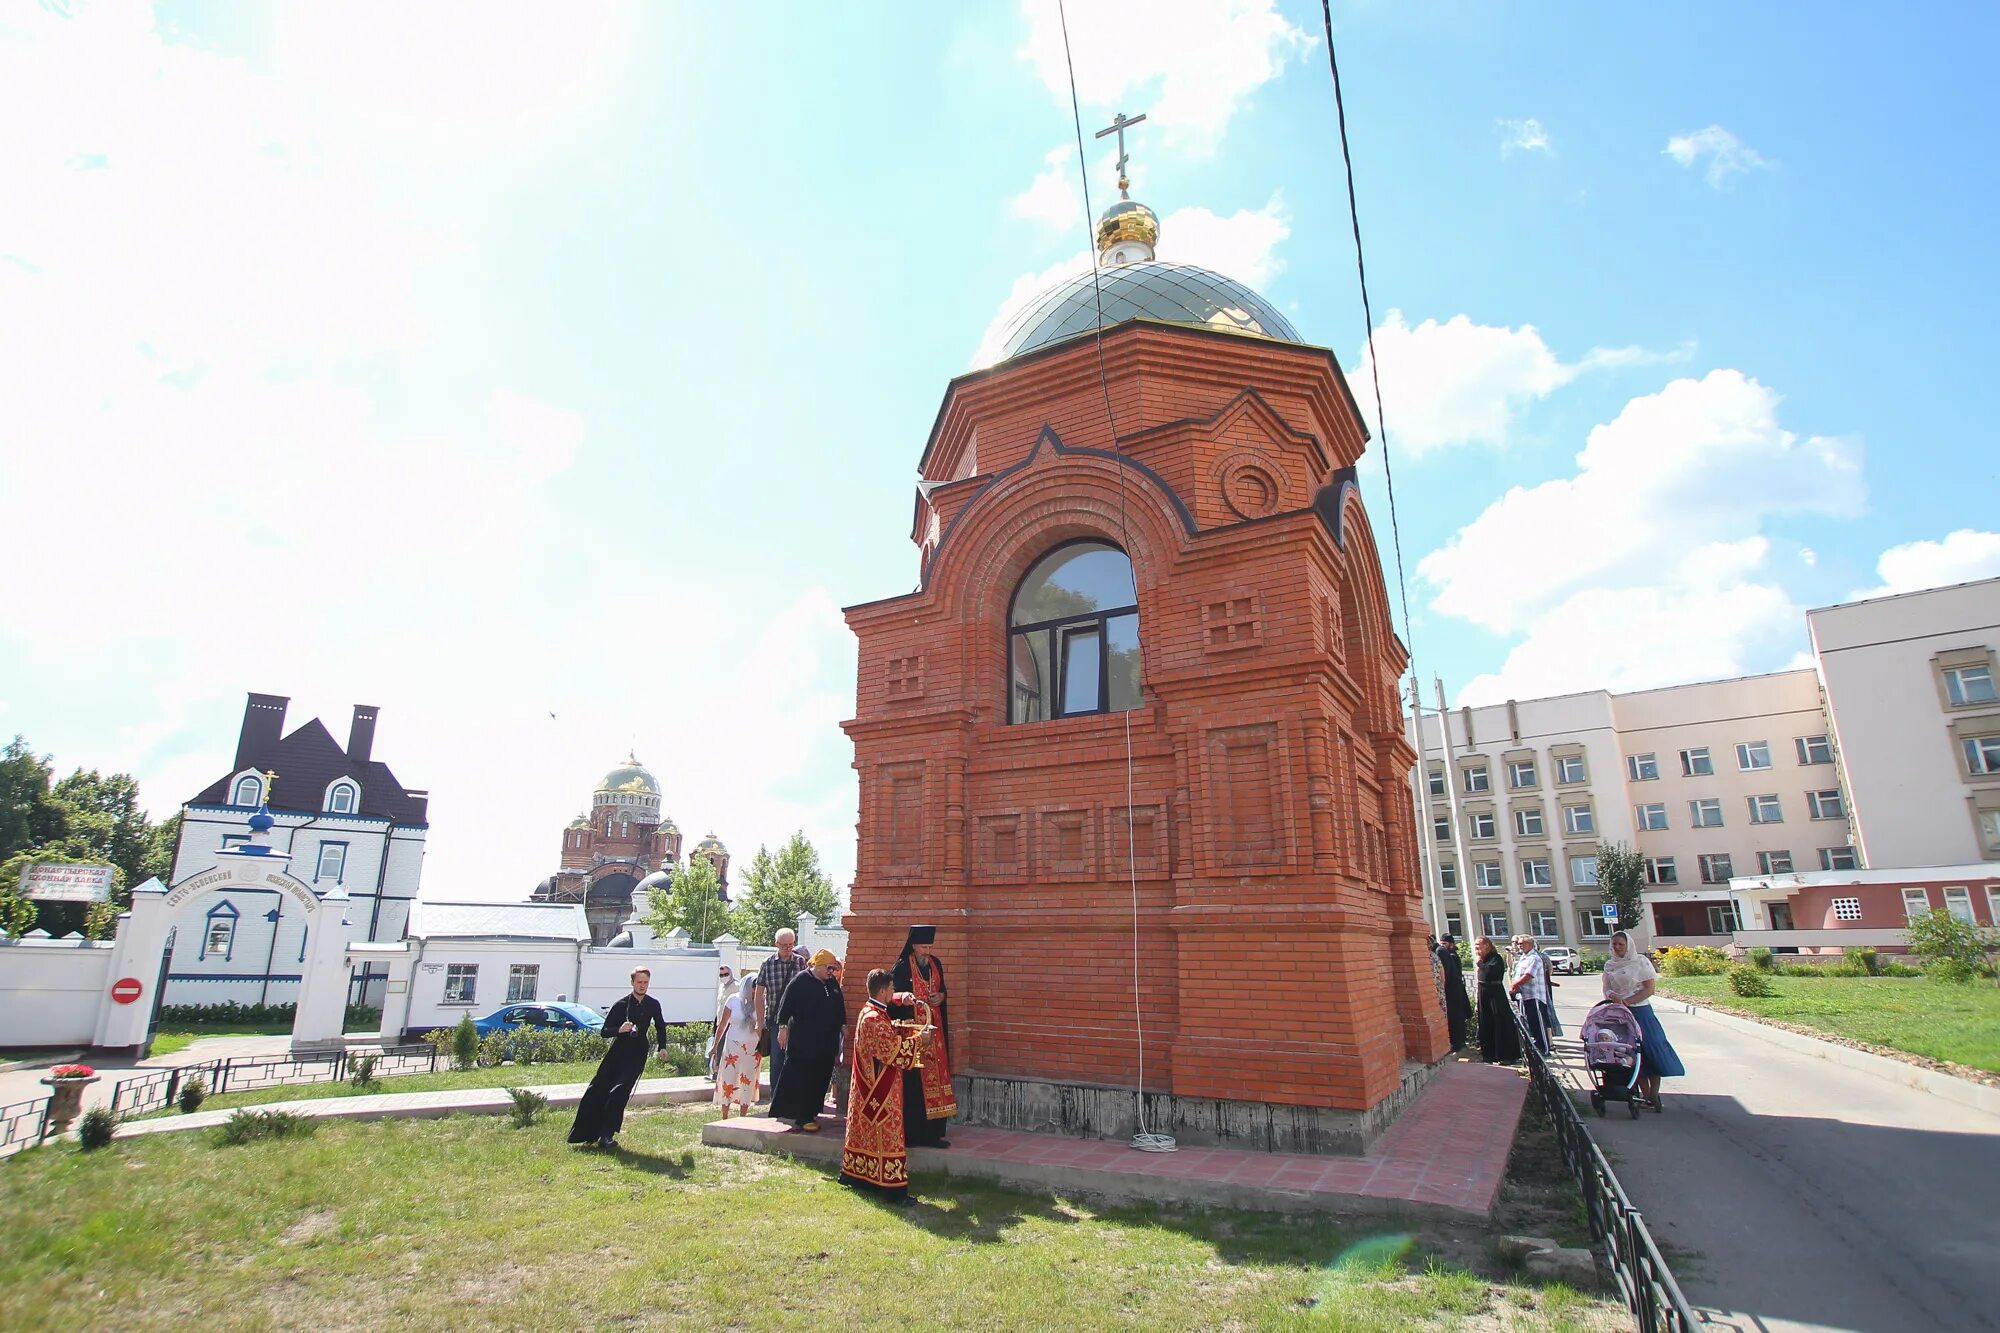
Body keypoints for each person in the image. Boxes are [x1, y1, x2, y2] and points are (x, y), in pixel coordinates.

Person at [840, 969, 931, 1206]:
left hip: (866, 1087)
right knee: (887, 1134)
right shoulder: (873, 1018)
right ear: (882, 991)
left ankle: (860, 1177)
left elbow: (886, 1036)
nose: (893, 993)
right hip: (880, 1089)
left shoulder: (870, 1012)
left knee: (867, 1134)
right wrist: (920, 1040)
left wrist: (905, 1021)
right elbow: (891, 1051)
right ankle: (893, 1189)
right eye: (891, 989)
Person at [568, 967, 670, 1148]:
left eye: (645, 982)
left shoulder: (653, 1004)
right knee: (597, 1090)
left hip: (637, 1053)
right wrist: (619, 1030)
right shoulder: (621, 1005)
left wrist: (662, 1047)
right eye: (639, 982)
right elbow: (604, 1032)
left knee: (619, 1092)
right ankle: (587, 1134)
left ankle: (606, 1135)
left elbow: (661, 1026)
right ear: (632, 983)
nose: (642, 986)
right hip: (617, 1053)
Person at [890, 924, 956, 1147]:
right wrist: (903, 997)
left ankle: (933, 1133)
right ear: (913, 946)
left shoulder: (936, 964)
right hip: (913, 1034)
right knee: (914, 1084)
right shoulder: (901, 967)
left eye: (929, 946)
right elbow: (891, 996)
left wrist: (942, 996)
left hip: (934, 1032)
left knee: (937, 1078)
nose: (927, 951)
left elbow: (942, 988)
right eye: (923, 947)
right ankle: (912, 1134)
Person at [1603, 930, 1685, 1104]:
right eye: (1614, 944)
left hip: (1641, 1012)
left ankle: (1653, 1094)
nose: (1617, 947)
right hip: (1621, 1015)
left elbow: (1649, 989)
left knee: (1652, 1049)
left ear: (1628, 945)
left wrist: (1628, 1001)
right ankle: (1645, 1095)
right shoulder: (1610, 965)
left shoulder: (1640, 962)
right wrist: (1613, 997)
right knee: (1631, 1053)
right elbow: (1607, 988)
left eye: (1620, 944)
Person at [768, 949, 845, 1131]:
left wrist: (843, 1024)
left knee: (820, 1077)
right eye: (828, 968)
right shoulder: (800, 981)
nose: (831, 972)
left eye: (833, 968)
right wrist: (782, 1028)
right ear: (818, 966)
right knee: (804, 1078)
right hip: (804, 1043)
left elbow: (839, 1004)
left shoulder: (831, 982)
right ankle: (802, 1117)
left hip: (826, 1042)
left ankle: (811, 1113)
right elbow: (785, 1006)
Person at [754, 930, 810, 1100]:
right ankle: (776, 1100)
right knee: (777, 1062)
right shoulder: (768, 963)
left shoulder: (801, 962)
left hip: (797, 1022)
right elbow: (759, 994)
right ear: (776, 944)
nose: (788, 948)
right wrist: (759, 1022)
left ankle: (794, 1100)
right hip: (775, 1020)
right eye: (784, 945)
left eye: (791, 944)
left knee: (795, 1061)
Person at [713, 973, 761, 1116]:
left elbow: (763, 1026)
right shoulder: (733, 1000)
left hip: (752, 1048)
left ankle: (743, 1115)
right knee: (729, 1078)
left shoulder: (761, 1002)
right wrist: (715, 1046)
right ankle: (725, 1115)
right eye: (752, 987)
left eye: (757, 987)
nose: (754, 990)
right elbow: (722, 1025)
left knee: (748, 1080)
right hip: (732, 1045)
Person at [1474, 937, 1521, 1065]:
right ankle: (1489, 1054)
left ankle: (1506, 1055)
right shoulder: (1483, 959)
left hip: (1495, 994)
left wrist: (1479, 963)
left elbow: (1489, 971)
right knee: (1486, 1023)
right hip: (1484, 994)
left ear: (1487, 945)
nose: (1476, 948)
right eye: (1475, 945)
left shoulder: (1495, 958)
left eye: (1478, 945)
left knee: (1499, 1022)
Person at [1508, 935, 1554, 1056]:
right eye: (1518, 943)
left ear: (1530, 944)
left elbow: (1528, 975)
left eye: (1522, 943)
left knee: (1538, 1024)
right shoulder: (1523, 957)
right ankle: (1535, 1049)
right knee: (1530, 1023)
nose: (1520, 945)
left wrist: (1514, 985)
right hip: (1524, 996)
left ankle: (1544, 1048)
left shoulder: (1534, 958)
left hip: (1535, 996)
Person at [1435, 933, 1470, 1052]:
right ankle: (1459, 1041)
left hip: (1453, 991)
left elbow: (1447, 974)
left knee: (1455, 1016)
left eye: (1445, 943)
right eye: (1441, 943)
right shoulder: (1448, 953)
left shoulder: (1449, 955)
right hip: (1456, 990)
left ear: (1451, 944)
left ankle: (1458, 1042)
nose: (1442, 945)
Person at [708, 964, 735, 1080]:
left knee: (724, 1048)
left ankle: (722, 1073)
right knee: (717, 1047)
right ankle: (715, 1071)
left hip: (730, 1023)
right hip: (719, 1021)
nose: (724, 977)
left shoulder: (736, 986)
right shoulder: (721, 987)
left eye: (726, 974)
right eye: (721, 975)